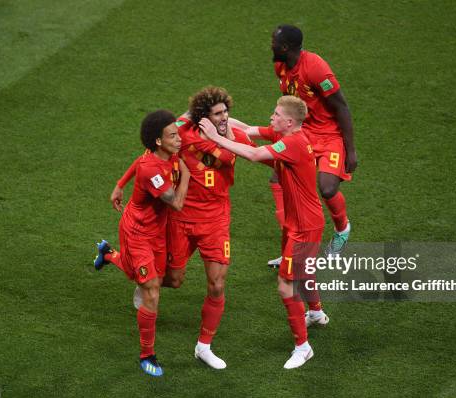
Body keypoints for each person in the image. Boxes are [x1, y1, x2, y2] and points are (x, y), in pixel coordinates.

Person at [200, 95, 324, 369]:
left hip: (305, 228)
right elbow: (249, 130)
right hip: (297, 223)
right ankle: (316, 313)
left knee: (286, 285)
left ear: (289, 121)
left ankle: (303, 348)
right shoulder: (289, 133)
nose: (271, 117)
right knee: (302, 271)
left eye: (276, 114)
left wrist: (216, 138)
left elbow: (255, 154)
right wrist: (218, 118)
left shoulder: (292, 143)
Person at [144, 86, 254, 370]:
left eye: (226, 111)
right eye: (217, 113)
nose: (224, 117)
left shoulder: (233, 138)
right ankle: (138, 277)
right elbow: (155, 145)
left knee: (217, 283)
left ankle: (204, 346)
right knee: (174, 279)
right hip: (181, 218)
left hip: (216, 220)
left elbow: (254, 152)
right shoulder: (181, 132)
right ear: (202, 116)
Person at [234, 24, 357, 272]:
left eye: (274, 42)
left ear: (286, 47)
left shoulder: (316, 69)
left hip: (329, 135)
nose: (271, 45)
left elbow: (341, 107)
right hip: (304, 133)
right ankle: (291, 247)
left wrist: (351, 150)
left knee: (327, 187)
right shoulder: (281, 67)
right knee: (279, 177)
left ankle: (342, 230)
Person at [93, 110, 190, 377]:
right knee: (151, 289)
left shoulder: (158, 154)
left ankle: (109, 253)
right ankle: (147, 354)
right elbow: (177, 203)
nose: (179, 138)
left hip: (156, 231)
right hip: (137, 233)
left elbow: (138, 160)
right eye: (172, 135)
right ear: (158, 141)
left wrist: (120, 184)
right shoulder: (153, 170)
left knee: (158, 279)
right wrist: (187, 174)